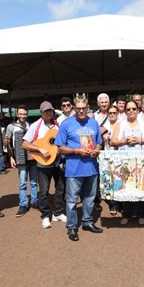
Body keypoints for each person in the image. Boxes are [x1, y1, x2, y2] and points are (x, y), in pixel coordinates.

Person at [56, 93, 104, 242]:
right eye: (78, 109)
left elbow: (99, 142)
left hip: (91, 168)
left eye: (83, 108)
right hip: (74, 169)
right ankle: (71, 227)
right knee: (71, 200)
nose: (81, 111)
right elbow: (60, 148)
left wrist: (97, 149)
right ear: (74, 109)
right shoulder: (66, 124)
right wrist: (76, 151)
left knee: (90, 198)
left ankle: (87, 222)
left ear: (88, 107)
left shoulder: (93, 123)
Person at [23, 101, 66, 229]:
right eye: (46, 111)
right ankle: (45, 216)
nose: (49, 113)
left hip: (58, 162)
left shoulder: (58, 125)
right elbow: (25, 144)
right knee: (44, 191)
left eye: (50, 111)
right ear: (41, 112)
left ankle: (58, 213)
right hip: (43, 163)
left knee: (61, 189)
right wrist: (40, 149)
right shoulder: (36, 126)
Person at [111, 100, 144, 225]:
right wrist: (124, 141)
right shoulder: (120, 124)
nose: (131, 111)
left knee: (140, 187)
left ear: (138, 110)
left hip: (141, 161)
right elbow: (113, 141)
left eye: (133, 109)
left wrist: (139, 140)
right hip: (125, 161)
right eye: (128, 109)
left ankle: (141, 214)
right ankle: (127, 214)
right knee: (126, 187)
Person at [5, 105, 38, 217]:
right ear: (17, 114)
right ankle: (23, 204)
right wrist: (11, 157)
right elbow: (7, 143)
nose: (22, 116)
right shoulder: (11, 127)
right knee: (23, 183)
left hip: (32, 157)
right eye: (20, 114)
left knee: (34, 181)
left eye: (24, 114)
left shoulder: (31, 125)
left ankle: (34, 201)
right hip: (19, 157)